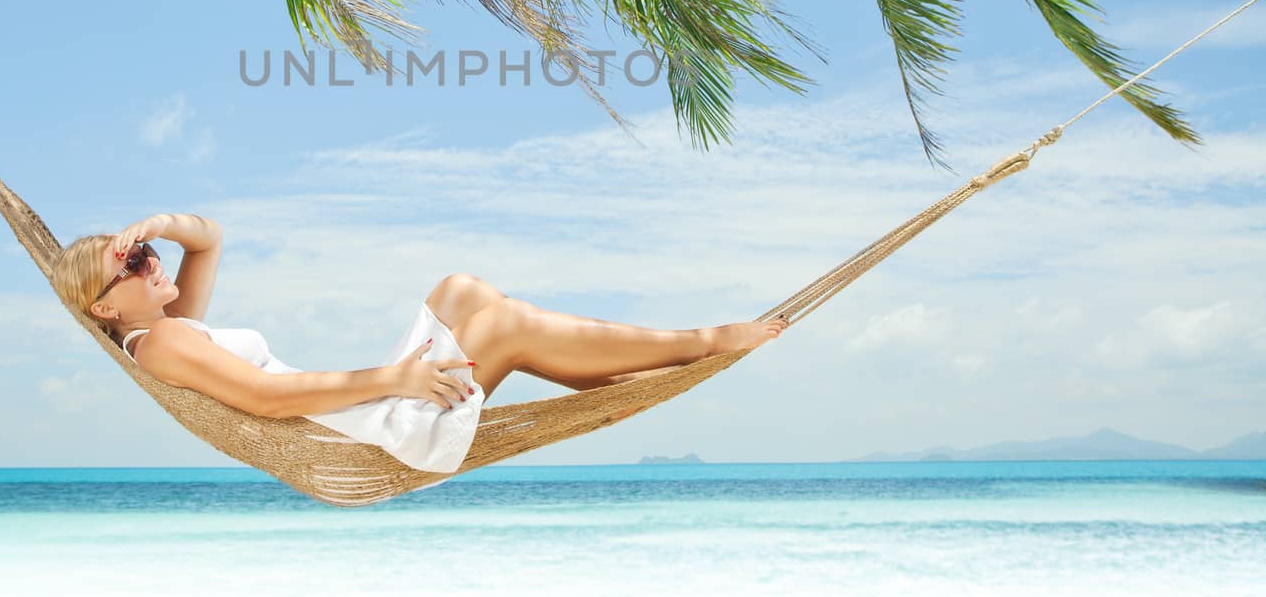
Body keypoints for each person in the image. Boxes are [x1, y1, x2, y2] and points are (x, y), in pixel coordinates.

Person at [52, 212, 789, 472]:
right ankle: (699, 342)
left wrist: (154, 223)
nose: (153, 262)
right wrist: (397, 379)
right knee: (502, 326)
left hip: (361, 412)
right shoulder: (159, 346)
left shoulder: (167, 327)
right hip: (374, 435)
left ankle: (613, 387)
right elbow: (270, 399)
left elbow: (209, 240)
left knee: (462, 290)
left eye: (146, 254)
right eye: (136, 264)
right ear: (104, 306)